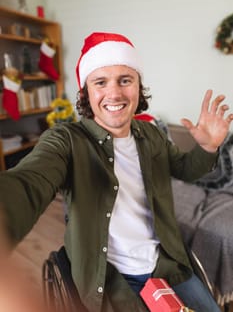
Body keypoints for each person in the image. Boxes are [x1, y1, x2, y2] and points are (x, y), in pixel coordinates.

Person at [0, 32, 232, 312]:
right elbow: (28, 182)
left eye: (125, 80)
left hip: (168, 264)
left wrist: (206, 148)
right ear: (86, 91)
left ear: (138, 86)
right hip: (108, 277)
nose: (115, 93)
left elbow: (184, 168)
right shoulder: (66, 140)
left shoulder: (151, 134)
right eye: (101, 82)